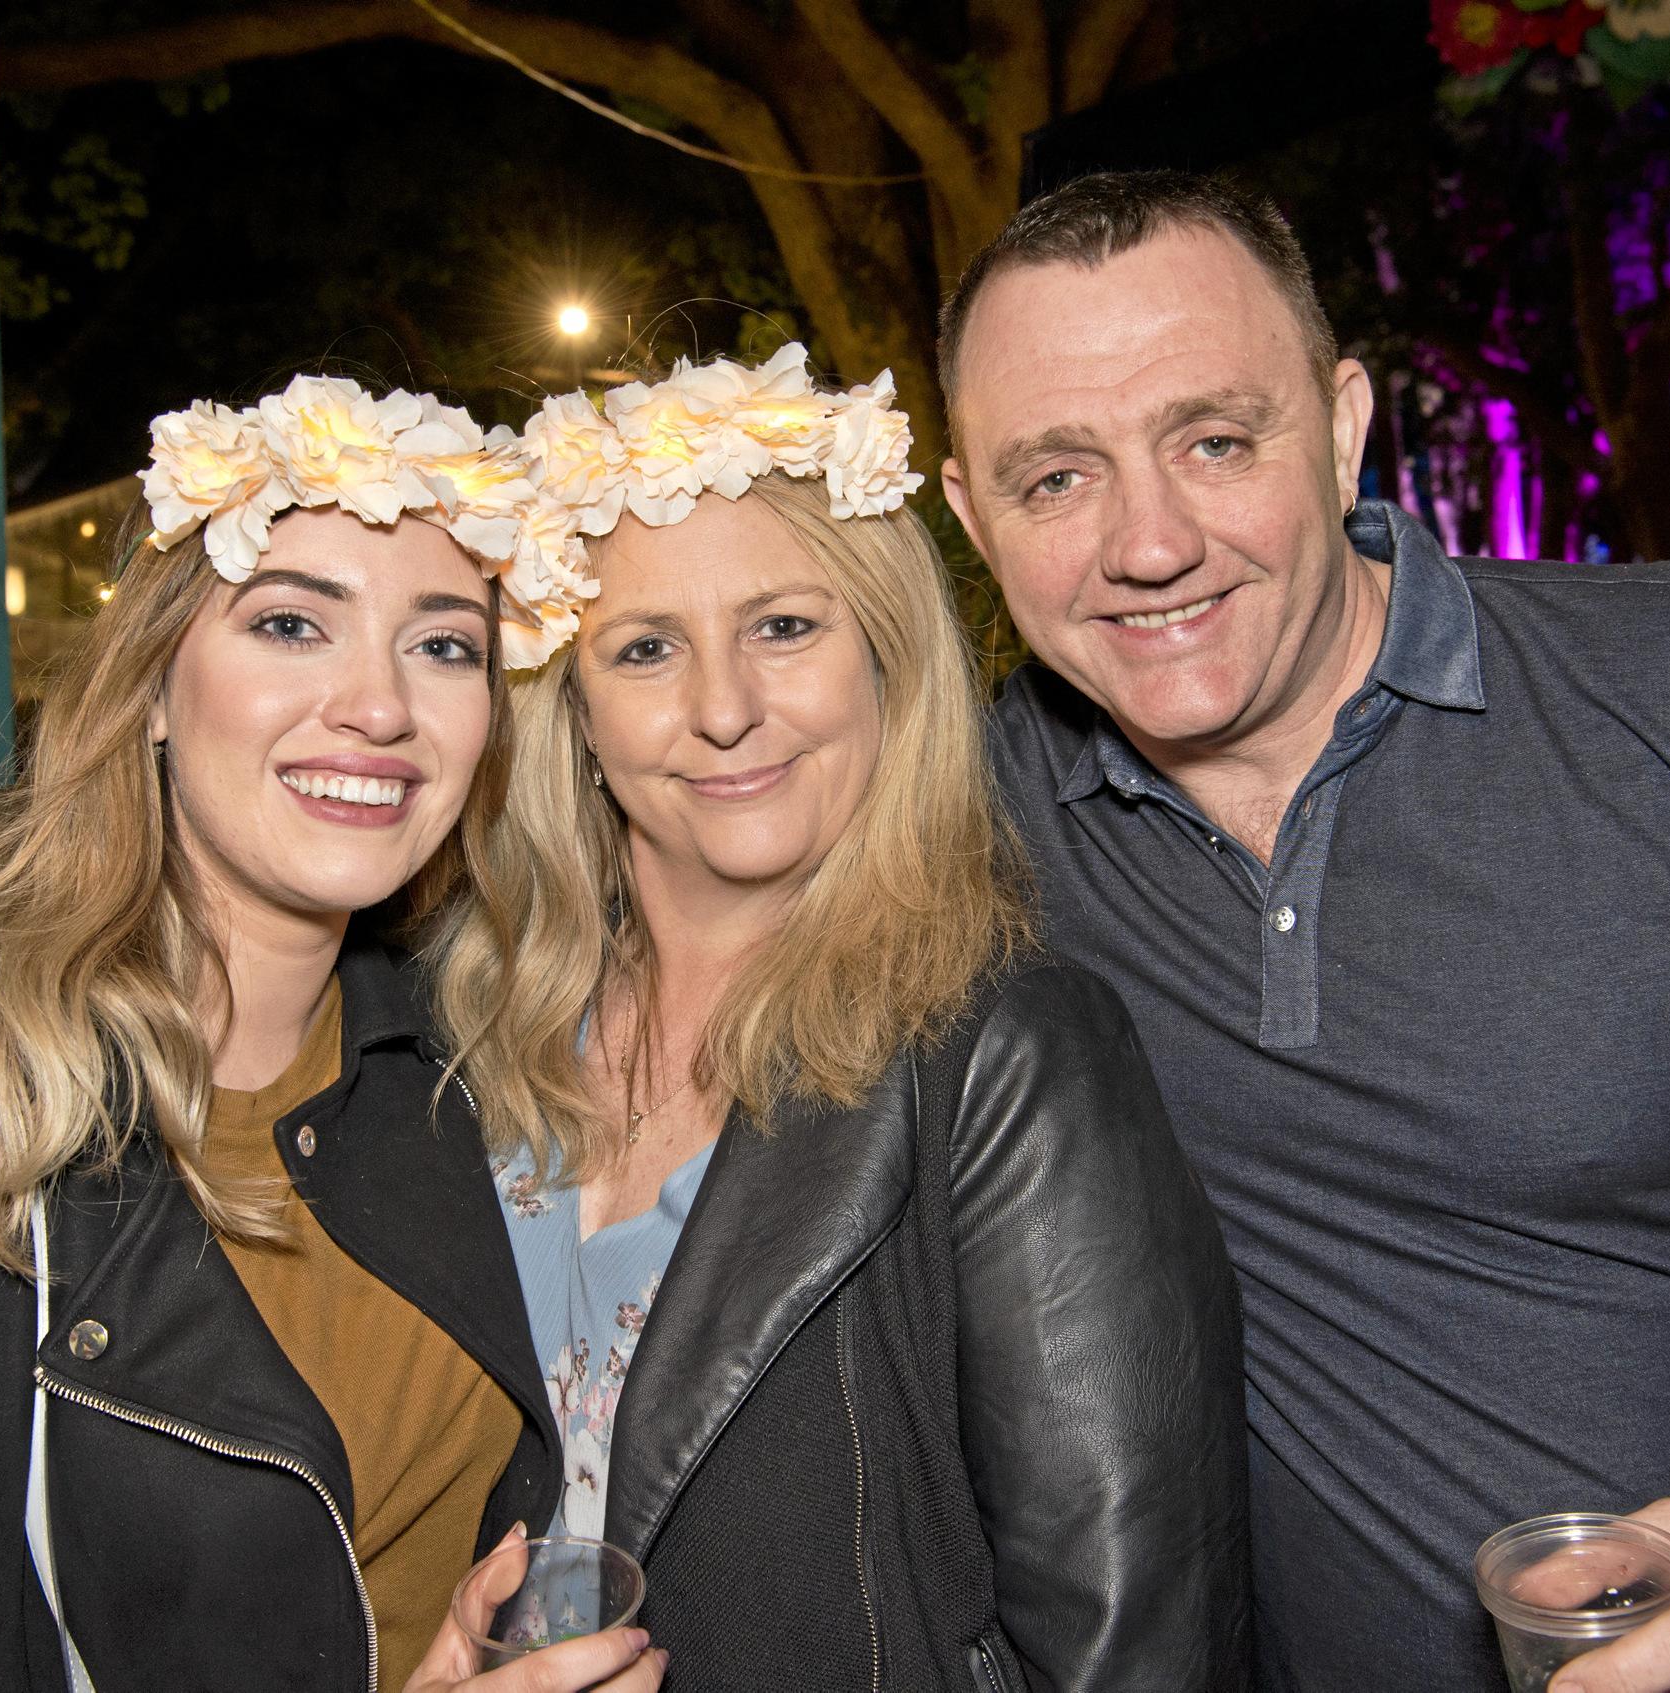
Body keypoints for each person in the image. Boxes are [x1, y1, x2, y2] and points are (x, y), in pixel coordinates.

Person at [938, 170, 1670, 1693]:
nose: (1148, 544)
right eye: (1054, 479)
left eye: (1215, 441)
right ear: (968, 511)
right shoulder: (971, 813)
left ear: (1341, 427)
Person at [0, 377, 665, 1693]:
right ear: (156, 690)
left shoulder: (465, 1077)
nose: (379, 706)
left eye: (443, 645)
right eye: (291, 623)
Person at [427, 346, 1252, 1691]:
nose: (724, 709)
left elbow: (1136, 1648)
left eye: (783, 627)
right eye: (644, 649)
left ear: (886, 653)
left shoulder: (1011, 1050)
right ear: (570, 709)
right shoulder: (477, 1035)